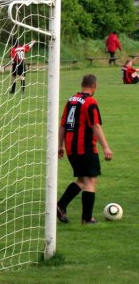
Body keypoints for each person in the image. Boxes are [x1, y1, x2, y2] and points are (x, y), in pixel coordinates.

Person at [56, 74, 113, 225]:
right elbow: (95, 125)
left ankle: (60, 205)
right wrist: (106, 147)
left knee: (82, 180)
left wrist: (59, 145)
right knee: (90, 181)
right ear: (95, 86)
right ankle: (87, 219)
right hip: (85, 147)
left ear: (82, 85)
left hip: (71, 147)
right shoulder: (90, 102)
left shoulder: (71, 100)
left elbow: (62, 125)